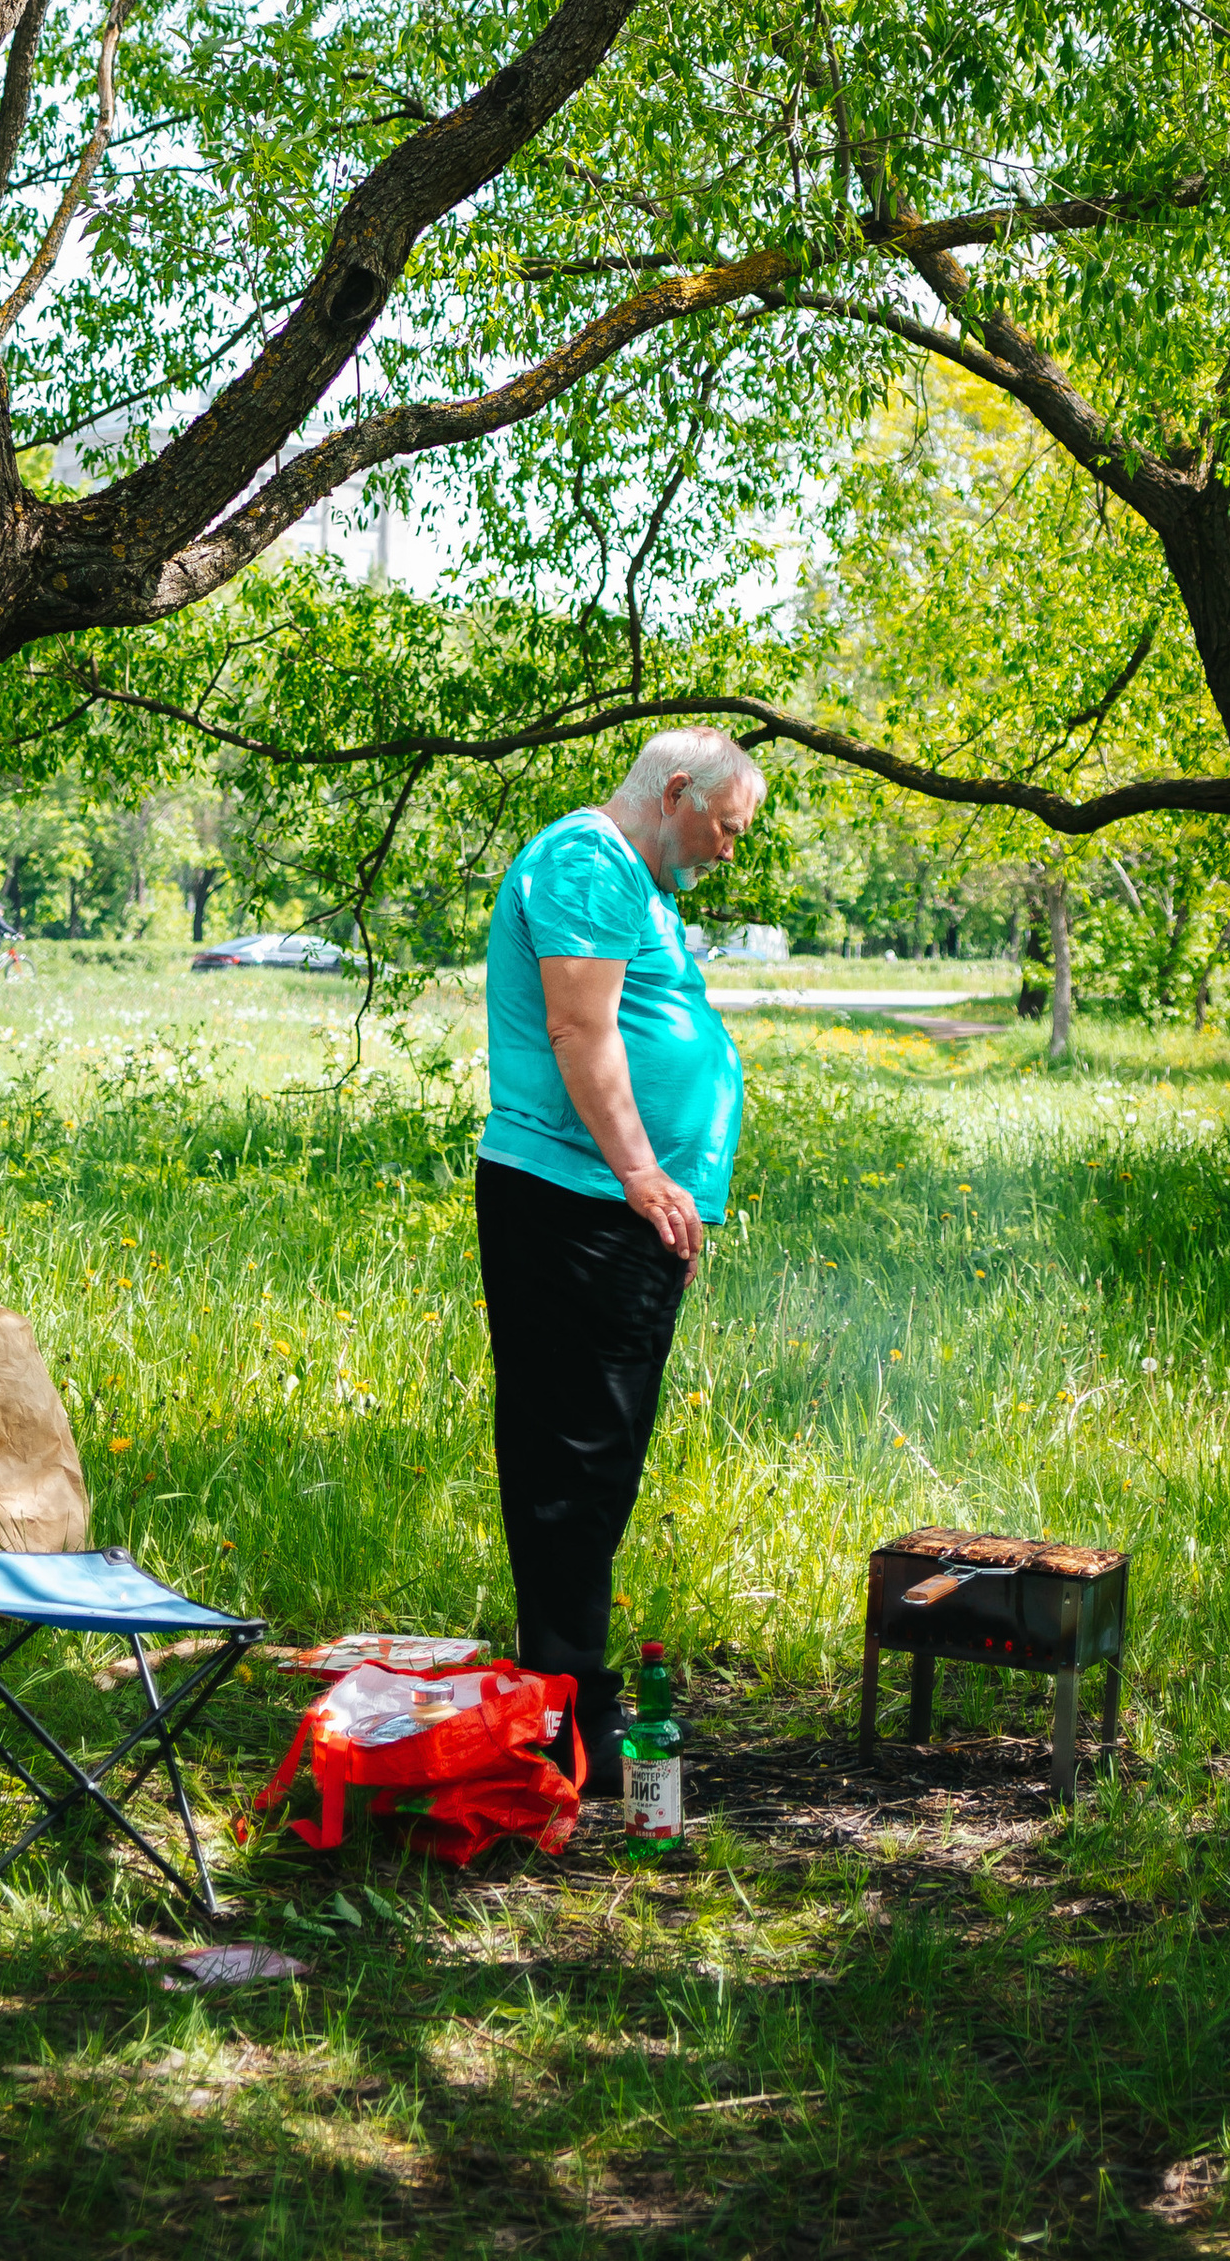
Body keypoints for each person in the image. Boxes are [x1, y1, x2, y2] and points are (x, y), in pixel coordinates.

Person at [475, 724, 766, 1794]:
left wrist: (665, 1207)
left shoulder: (643, 885)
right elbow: (579, 1031)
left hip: (615, 1217)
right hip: (571, 1203)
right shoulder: (585, 861)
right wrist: (646, 1178)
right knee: (570, 1462)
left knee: (598, 1460)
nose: (730, 850)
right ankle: (563, 1711)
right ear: (678, 790)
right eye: (726, 827)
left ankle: (568, 1695)